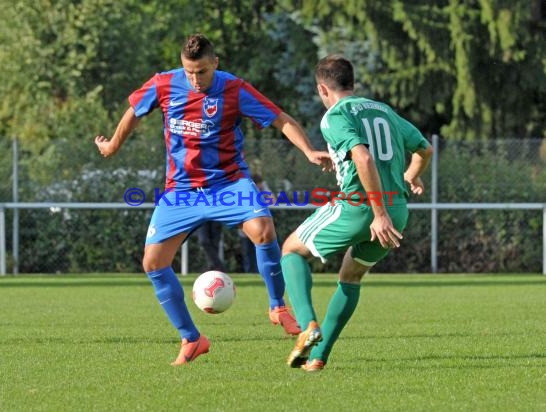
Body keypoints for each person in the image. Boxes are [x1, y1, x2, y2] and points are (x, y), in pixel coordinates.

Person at [94, 33, 331, 365]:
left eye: (202, 72)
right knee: (153, 263)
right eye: (189, 71)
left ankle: (278, 307)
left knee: (263, 229)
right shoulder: (164, 84)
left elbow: (281, 119)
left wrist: (307, 151)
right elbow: (134, 110)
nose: (195, 79)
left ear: (215, 64)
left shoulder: (233, 89)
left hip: (228, 184)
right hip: (181, 191)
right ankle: (192, 339)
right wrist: (112, 146)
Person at [280, 55, 433, 372]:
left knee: (291, 251)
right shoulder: (383, 110)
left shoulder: (334, 115)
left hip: (362, 208)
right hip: (397, 209)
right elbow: (425, 149)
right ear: (353, 83)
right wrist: (411, 175)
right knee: (350, 277)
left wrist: (377, 213)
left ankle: (308, 325)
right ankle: (318, 358)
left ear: (323, 89)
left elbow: (363, 158)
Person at [238, 174, 270, 273]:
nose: (259, 186)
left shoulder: (262, 192)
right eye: (259, 184)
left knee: (260, 252)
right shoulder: (244, 192)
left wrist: (265, 188)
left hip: (261, 230)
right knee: (247, 253)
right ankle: (249, 272)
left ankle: (261, 271)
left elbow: (273, 200)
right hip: (246, 231)